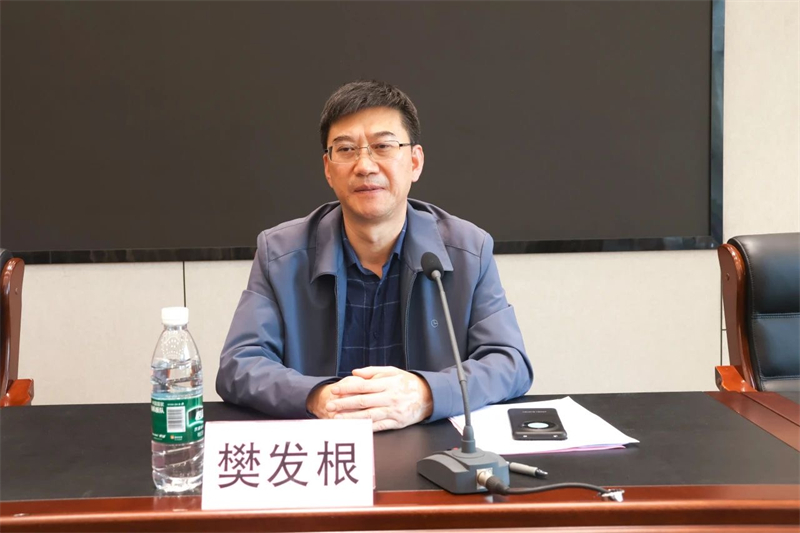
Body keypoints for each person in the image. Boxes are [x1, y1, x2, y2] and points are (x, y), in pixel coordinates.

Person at [217, 80, 533, 431]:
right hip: (326, 449)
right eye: (346, 149)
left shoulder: (468, 250)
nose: (365, 165)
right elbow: (239, 365)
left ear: (415, 162)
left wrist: (426, 394)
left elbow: (509, 363)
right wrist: (317, 396)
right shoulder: (280, 254)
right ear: (328, 168)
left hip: (432, 449)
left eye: (383, 146)